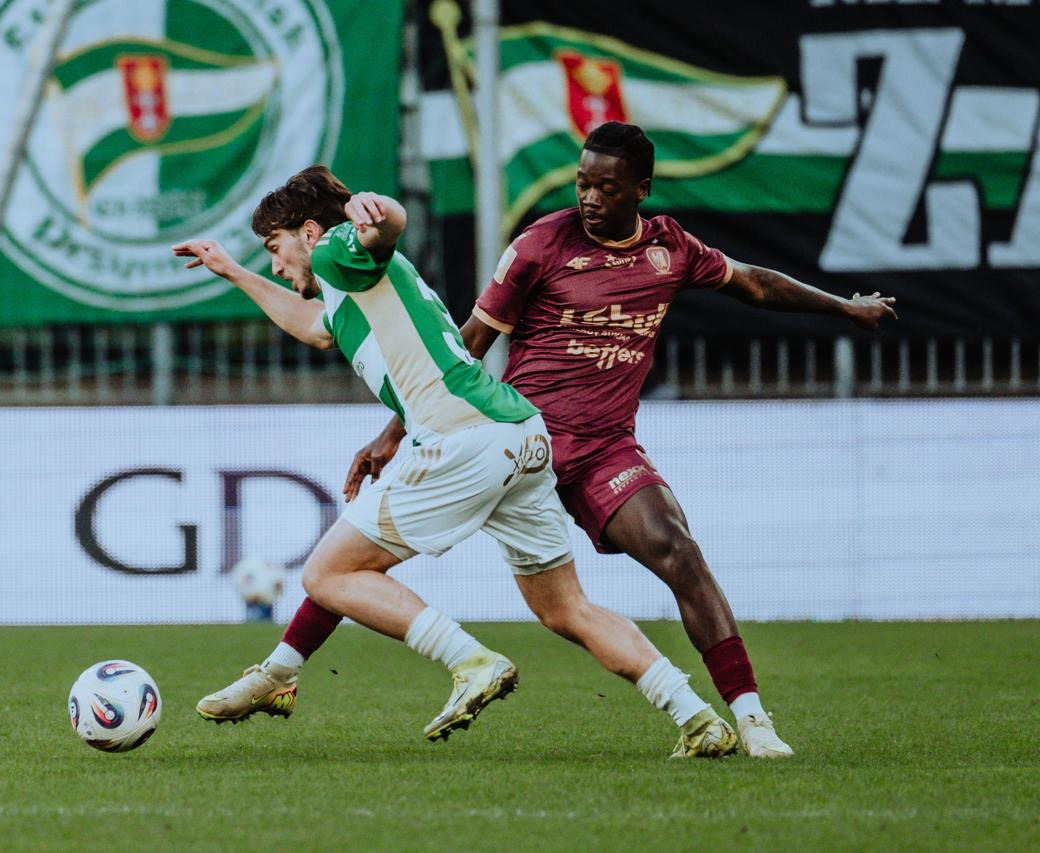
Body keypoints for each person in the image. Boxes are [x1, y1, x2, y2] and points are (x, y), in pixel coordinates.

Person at [344, 121, 900, 758]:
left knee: (680, 553)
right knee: (364, 555)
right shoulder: (541, 244)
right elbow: (467, 343)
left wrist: (843, 307)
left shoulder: (671, 248)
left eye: (606, 188)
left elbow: (754, 282)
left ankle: (752, 720)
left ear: (642, 189)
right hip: (519, 445)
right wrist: (394, 431)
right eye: (582, 183)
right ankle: (284, 666)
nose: (589, 197)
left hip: (605, 448)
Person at [174, 166, 739, 756]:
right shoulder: (347, 292)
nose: (275, 265)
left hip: (460, 439)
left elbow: (386, 226)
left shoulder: (337, 252)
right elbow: (314, 329)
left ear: (309, 233)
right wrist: (231, 271)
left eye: (274, 248)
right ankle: (697, 717)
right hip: (519, 434)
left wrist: (376, 206)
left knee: (328, 574)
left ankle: (469, 660)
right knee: (565, 608)